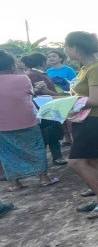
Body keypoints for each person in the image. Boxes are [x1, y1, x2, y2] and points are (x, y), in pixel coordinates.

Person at [65, 31, 98, 220]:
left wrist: (66, 103)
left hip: (96, 120)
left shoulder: (97, 69)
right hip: (87, 120)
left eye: (67, 46)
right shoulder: (86, 68)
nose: (65, 50)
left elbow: (96, 100)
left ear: (76, 47)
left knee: (76, 161)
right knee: (95, 161)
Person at [0, 50, 60, 191]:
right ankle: (43, 178)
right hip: (26, 121)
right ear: (12, 66)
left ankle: (14, 183)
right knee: (36, 148)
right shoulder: (23, 79)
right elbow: (29, 94)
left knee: (7, 153)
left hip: (2, 125)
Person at [21, 52, 67, 166]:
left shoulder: (37, 73)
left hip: (46, 106)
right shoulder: (33, 75)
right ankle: (51, 159)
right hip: (43, 107)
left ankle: (54, 157)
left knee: (52, 131)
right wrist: (60, 96)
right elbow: (41, 92)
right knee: (48, 132)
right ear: (42, 62)